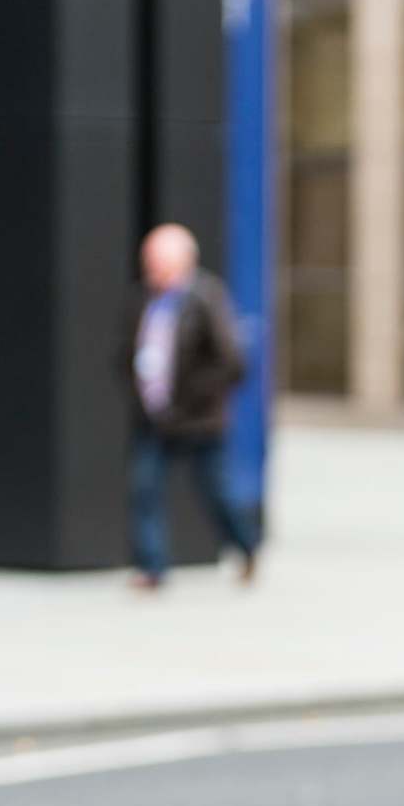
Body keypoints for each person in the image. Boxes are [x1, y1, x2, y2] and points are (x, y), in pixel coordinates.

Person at [122, 223, 257, 589]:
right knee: (145, 489)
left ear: (183, 262)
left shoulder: (206, 298)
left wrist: (193, 398)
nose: (152, 269)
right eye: (149, 261)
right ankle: (152, 567)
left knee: (217, 492)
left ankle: (246, 546)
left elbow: (232, 363)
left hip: (199, 420)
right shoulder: (143, 300)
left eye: (160, 262)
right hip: (155, 417)